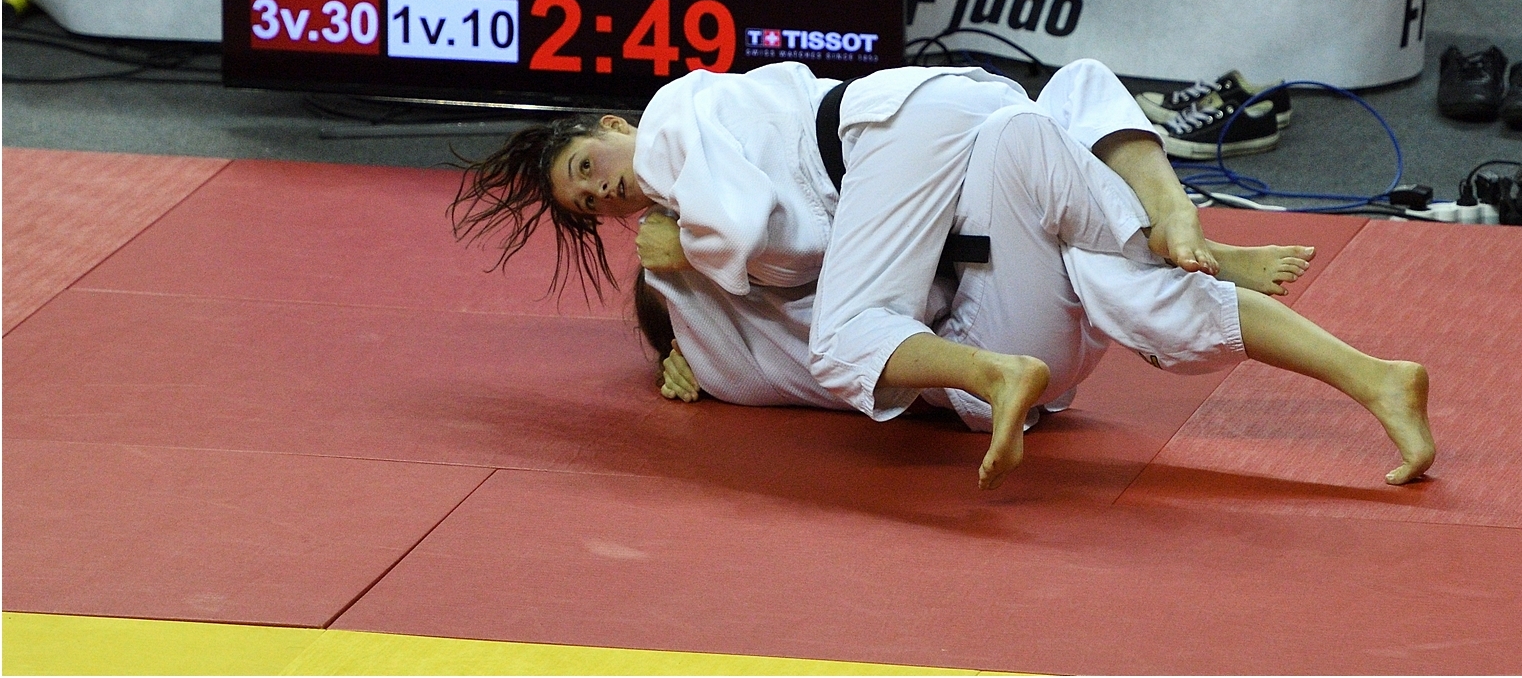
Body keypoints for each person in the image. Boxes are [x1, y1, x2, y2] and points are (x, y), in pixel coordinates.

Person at [454, 59, 1431, 487]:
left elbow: (769, 237)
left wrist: (701, 251)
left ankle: (1127, 274)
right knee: (1047, 144)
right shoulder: (702, 293)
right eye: (594, 204)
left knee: (848, 334)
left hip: (899, 158)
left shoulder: (677, 125)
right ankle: (1182, 243)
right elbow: (759, 341)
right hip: (981, 224)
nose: (610, 193)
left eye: (592, 167)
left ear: (615, 126)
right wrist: (689, 357)